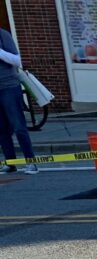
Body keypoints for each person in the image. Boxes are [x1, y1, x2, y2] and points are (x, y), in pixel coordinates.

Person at [0, 28, 37, 175]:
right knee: (1, 129)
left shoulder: (3, 35)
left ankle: (31, 162)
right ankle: (10, 163)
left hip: (9, 86)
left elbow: (16, 60)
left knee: (18, 126)